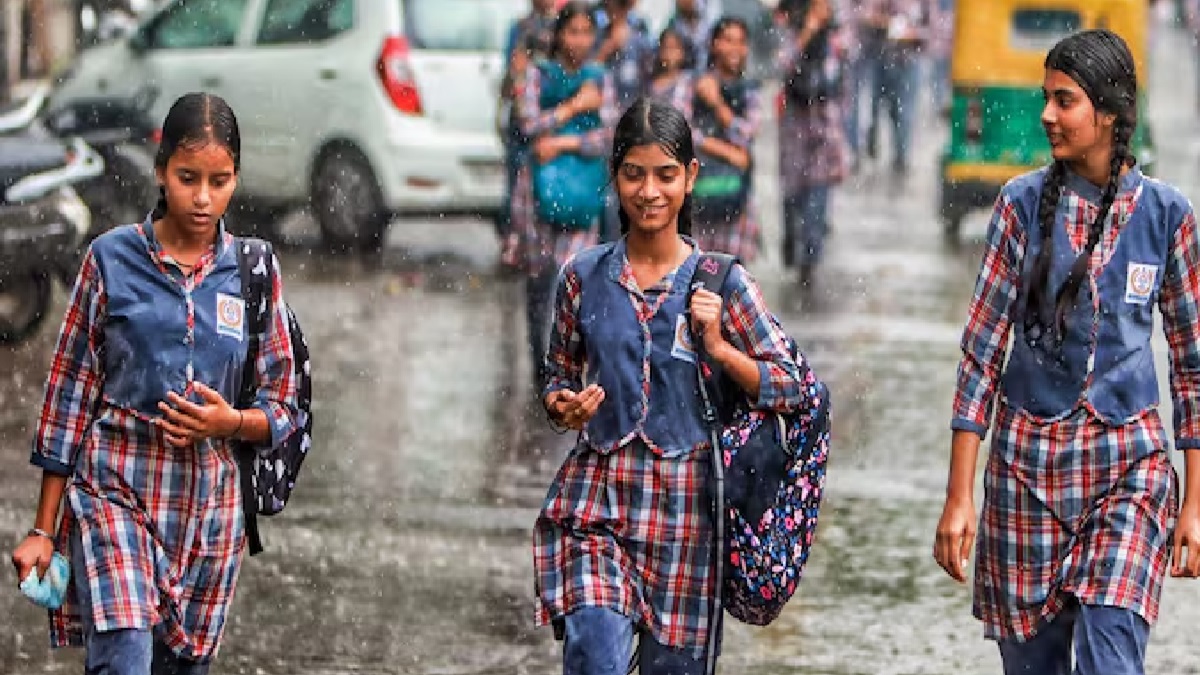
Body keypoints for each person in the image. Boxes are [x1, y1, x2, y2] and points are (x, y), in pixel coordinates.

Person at [933, 29, 1200, 674]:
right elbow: (981, 355)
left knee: (1112, 662)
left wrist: (1194, 502)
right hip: (1026, 474)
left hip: (1128, 475)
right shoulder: (1019, 207)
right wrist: (959, 495)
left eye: (1065, 100)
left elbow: (1192, 367)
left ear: (1109, 113)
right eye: (1046, 99)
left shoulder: (1168, 216)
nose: (1047, 115)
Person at [9, 92, 300, 674]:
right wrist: (44, 528)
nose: (201, 197)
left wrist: (232, 423)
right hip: (115, 496)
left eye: (219, 181)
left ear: (236, 180)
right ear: (161, 168)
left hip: (209, 522)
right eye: (187, 177)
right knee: (122, 660)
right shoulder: (110, 260)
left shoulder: (253, 273)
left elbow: (284, 403)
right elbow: (69, 394)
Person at [533, 97, 805, 675]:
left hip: (689, 519)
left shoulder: (724, 284)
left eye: (665, 175)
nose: (649, 191)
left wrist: (722, 348)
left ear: (690, 179)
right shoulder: (582, 277)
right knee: (595, 650)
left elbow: (791, 386)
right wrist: (565, 406)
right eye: (634, 174)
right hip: (598, 506)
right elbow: (557, 376)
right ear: (615, 176)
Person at [504, 0, 618, 388]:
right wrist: (574, 107)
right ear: (558, 35)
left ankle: (565, 366)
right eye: (573, 31)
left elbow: (607, 135)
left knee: (574, 280)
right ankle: (540, 361)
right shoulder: (539, 75)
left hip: (583, 191)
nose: (580, 40)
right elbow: (528, 124)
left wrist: (563, 144)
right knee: (538, 278)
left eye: (587, 32)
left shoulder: (600, 79)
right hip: (536, 192)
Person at [775, 0, 850, 284]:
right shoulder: (790, 28)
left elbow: (843, 78)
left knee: (818, 191)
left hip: (825, 122)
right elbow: (782, 64)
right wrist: (807, 30)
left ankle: (810, 258)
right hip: (795, 121)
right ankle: (792, 242)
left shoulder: (835, 36)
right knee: (793, 191)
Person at [690, 17, 763, 262]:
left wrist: (717, 104)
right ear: (714, 44)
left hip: (737, 199)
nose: (734, 48)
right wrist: (727, 152)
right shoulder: (694, 84)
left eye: (741, 42)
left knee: (732, 277)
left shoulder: (749, 89)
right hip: (700, 194)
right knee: (696, 277)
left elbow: (748, 134)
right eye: (727, 40)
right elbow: (680, 130)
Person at [497, 0, 559, 250]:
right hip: (524, 122)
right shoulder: (520, 29)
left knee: (550, 191)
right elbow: (510, 80)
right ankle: (518, 245)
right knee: (518, 189)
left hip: (551, 120)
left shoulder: (564, 25)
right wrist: (516, 74)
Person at [648, 28, 696, 109]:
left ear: (682, 52)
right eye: (665, 48)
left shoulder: (689, 81)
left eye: (673, 48)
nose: (669, 53)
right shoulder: (651, 85)